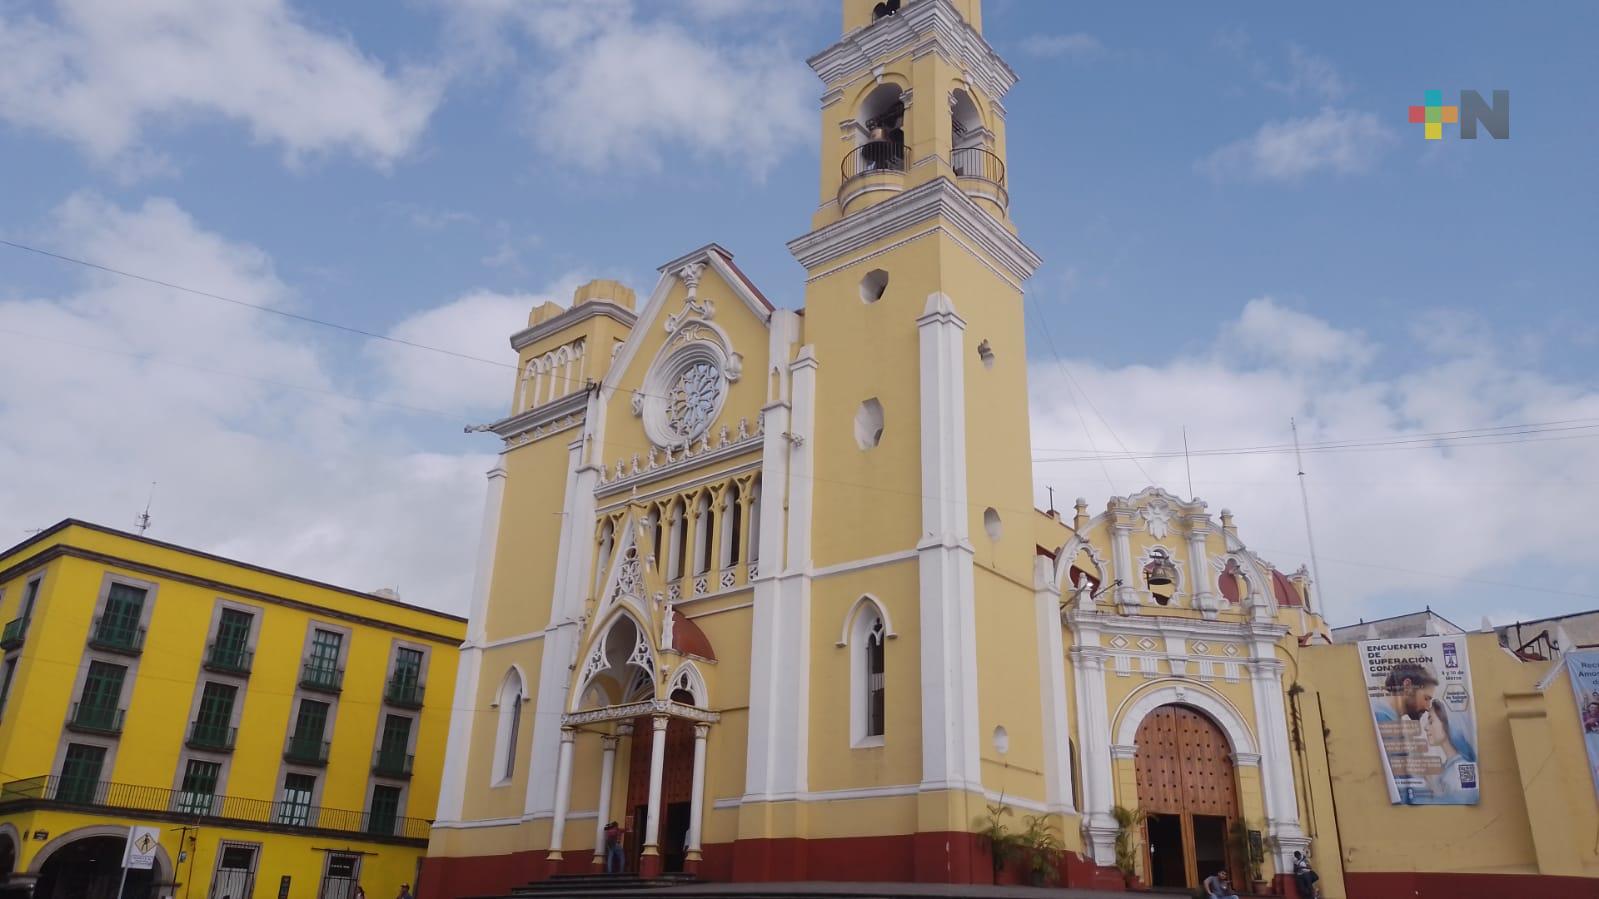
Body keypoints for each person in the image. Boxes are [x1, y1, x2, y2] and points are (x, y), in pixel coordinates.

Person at [1421, 699, 1478, 803]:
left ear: (1447, 723)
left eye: (1431, 721)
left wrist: (1435, 791)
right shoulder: (1445, 768)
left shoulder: (1464, 767)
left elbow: (1468, 800)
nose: (1425, 727)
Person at [1374, 662, 1439, 723]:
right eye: (1426, 698)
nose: (1427, 708)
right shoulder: (1380, 720)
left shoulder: (1380, 716)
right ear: (1407, 686)